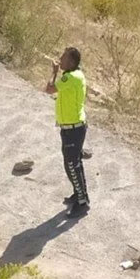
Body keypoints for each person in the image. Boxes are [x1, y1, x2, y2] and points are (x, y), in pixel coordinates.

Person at [43, 47, 90, 218]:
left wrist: (54, 72)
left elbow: (49, 89)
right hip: (71, 128)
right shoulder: (77, 75)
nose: (60, 60)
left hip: (74, 129)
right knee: (74, 163)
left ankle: (82, 203)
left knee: (71, 165)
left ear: (71, 62)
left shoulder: (69, 78)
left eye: (63, 58)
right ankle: (80, 194)